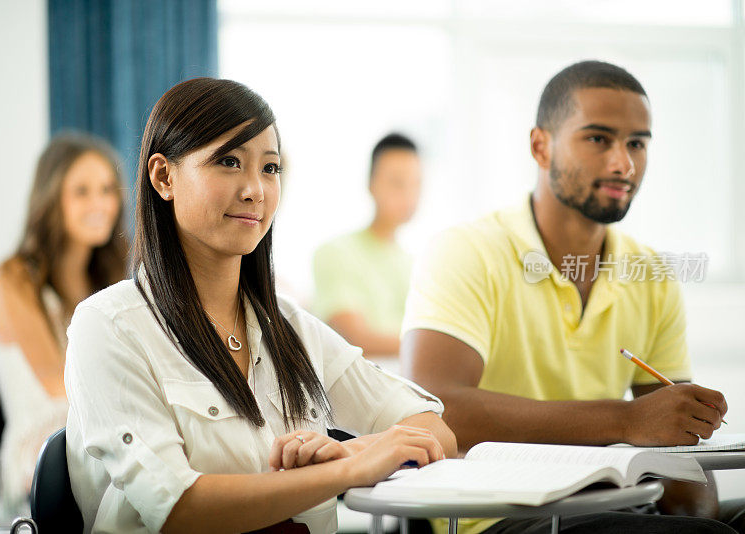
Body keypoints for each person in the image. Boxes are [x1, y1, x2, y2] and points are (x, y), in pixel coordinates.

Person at [64, 78, 456, 534]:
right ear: (164, 177)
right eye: (229, 162)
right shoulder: (108, 326)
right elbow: (175, 509)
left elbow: (435, 430)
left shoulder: (289, 326)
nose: (256, 190)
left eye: (270, 169)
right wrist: (348, 471)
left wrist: (352, 449)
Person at [401, 60, 743, 533]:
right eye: (599, 139)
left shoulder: (651, 273)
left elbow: (673, 442)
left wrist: (693, 470)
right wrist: (625, 420)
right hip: (502, 518)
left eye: (637, 143)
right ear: (540, 146)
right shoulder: (467, 251)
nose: (623, 163)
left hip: (620, 510)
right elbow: (436, 406)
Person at [0, 132, 128, 513]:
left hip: (100, 433)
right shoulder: (11, 280)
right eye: (81, 191)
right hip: (41, 453)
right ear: (51, 199)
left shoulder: (109, 279)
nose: (99, 203)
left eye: (107, 190)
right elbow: (56, 380)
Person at [312, 133, 421, 358]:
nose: (408, 195)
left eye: (416, 183)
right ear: (371, 184)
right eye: (397, 182)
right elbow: (357, 339)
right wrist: (429, 347)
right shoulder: (335, 252)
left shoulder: (416, 264)